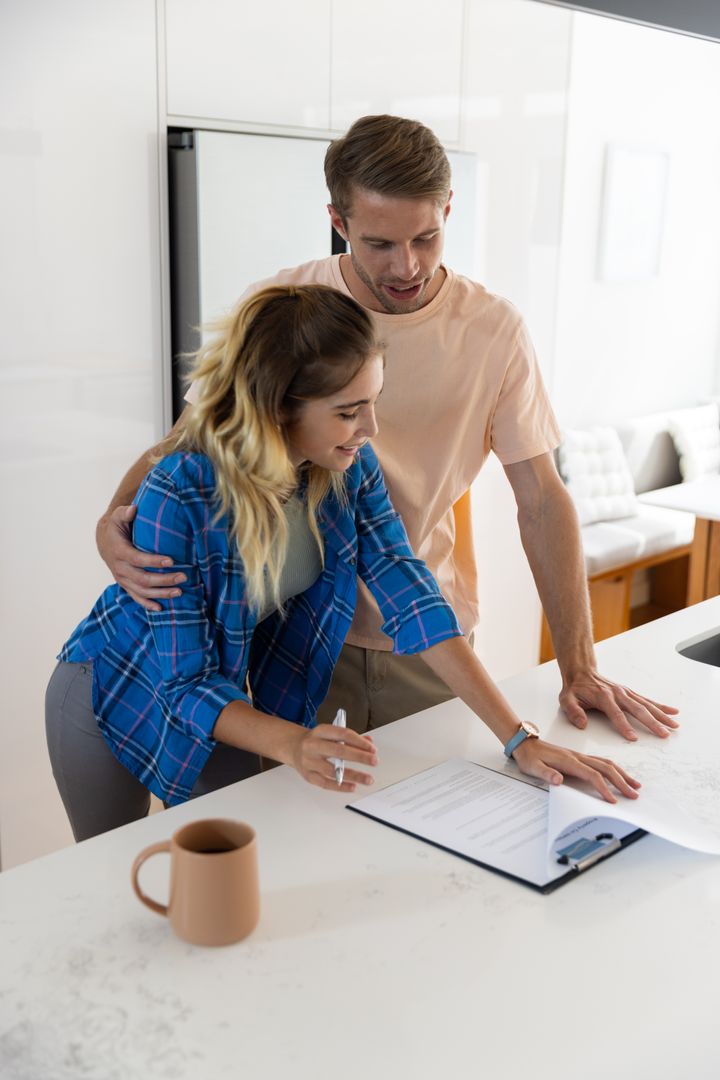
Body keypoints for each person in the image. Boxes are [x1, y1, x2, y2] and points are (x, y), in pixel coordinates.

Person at [96, 115, 679, 743]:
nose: (408, 266)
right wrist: (113, 522)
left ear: (448, 209)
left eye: (427, 237)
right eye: (380, 244)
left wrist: (580, 665)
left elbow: (541, 498)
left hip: (425, 627)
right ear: (339, 221)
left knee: (440, 818)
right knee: (300, 826)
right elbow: (188, 441)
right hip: (289, 627)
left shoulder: (493, 330)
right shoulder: (285, 303)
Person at [46, 285, 639, 841]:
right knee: (110, 889)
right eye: (349, 410)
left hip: (214, 695)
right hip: (111, 689)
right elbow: (183, 680)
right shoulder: (182, 490)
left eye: (373, 402)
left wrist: (517, 737)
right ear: (280, 408)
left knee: (254, 854)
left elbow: (412, 595)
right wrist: (295, 742)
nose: (371, 428)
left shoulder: (347, 467)